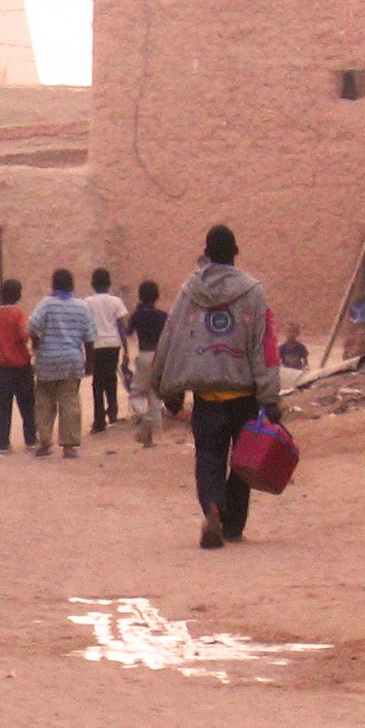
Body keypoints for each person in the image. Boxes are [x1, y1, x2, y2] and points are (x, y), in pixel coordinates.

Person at [143, 224, 282, 549]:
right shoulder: (252, 291)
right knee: (243, 461)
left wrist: (166, 386)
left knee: (209, 457)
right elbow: (264, 346)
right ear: (235, 252)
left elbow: (172, 336)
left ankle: (212, 508)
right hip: (244, 394)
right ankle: (233, 526)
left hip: (207, 396)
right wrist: (270, 396)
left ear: (206, 252)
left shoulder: (190, 291)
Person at [26, 269, 97, 458]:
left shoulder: (47, 304)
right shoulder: (82, 307)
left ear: (53, 284)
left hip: (47, 360)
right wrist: (89, 362)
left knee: (44, 401)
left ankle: (45, 441)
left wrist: (36, 342)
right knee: (70, 402)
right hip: (72, 361)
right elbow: (90, 337)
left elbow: (32, 326)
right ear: (72, 285)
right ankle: (69, 446)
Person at [0, 279, 35, 452]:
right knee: (27, 405)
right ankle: (31, 439)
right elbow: (24, 336)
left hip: (1, 367)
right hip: (21, 365)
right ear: (17, 294)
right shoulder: (18, 313)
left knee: (2, 407)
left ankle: (3, 442)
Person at [83, 268, 131, 434]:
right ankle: (112, 413)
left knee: (97, 382)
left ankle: (99, 420)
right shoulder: (116, 301)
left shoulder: (87, 302)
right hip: (113, 344)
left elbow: (85, 327)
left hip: (95, 345)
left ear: (93, 284)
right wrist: (126, 350)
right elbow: (121, 327)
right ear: (109, 284)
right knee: (111, 378)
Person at [126, 279, 169, 449]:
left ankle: (145, 417)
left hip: (144, 355)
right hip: (159, 357)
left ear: (140, 296)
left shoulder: (138, 315)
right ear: (157, 296)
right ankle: (150, 437)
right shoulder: (163, 316)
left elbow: (128, 332)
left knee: (136, 394)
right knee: (155, 395)